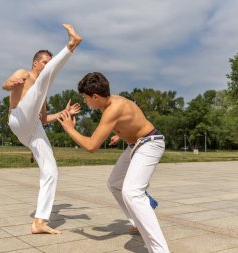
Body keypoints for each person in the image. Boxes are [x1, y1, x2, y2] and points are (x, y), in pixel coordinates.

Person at [57, 72, 170, 252]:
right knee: (115, 184)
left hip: (151, 143)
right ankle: (139, 220)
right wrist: (120, 133)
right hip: (136, 143)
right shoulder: (109, 102)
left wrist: (70, 129)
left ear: (95, 96)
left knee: (132, 192)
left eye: (86, 98)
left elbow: (92, 146)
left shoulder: (112, 109)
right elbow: (131, 115)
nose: (85, 102)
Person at [2, 24, 82, 234]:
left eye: (49, 62)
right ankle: (71, 45)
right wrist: (11, 83)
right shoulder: (24, 74)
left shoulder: (42, 89)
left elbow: (44, 118)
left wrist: (64, 114)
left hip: (33, 128)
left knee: (51, 170)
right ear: (35, 62)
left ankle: (39, 222)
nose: (46, 65)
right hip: (18, 117)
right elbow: (6, 84)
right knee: (42, 82)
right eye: (44, 62)